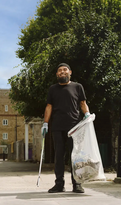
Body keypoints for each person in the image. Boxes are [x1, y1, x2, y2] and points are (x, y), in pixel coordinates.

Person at [42, 63, 90, 193]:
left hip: (74, 127)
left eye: (64, 70)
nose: (62, 72)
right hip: (57, 127)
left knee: (75, 156)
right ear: (57, 74)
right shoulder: (53, 89)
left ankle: (77, 184)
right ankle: (59, 184)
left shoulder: (77, 87)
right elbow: (49, 106)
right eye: (59, 71)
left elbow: (83, 103)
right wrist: (45, 123)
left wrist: (87, 115)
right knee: (59, 156)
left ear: (70, 72)